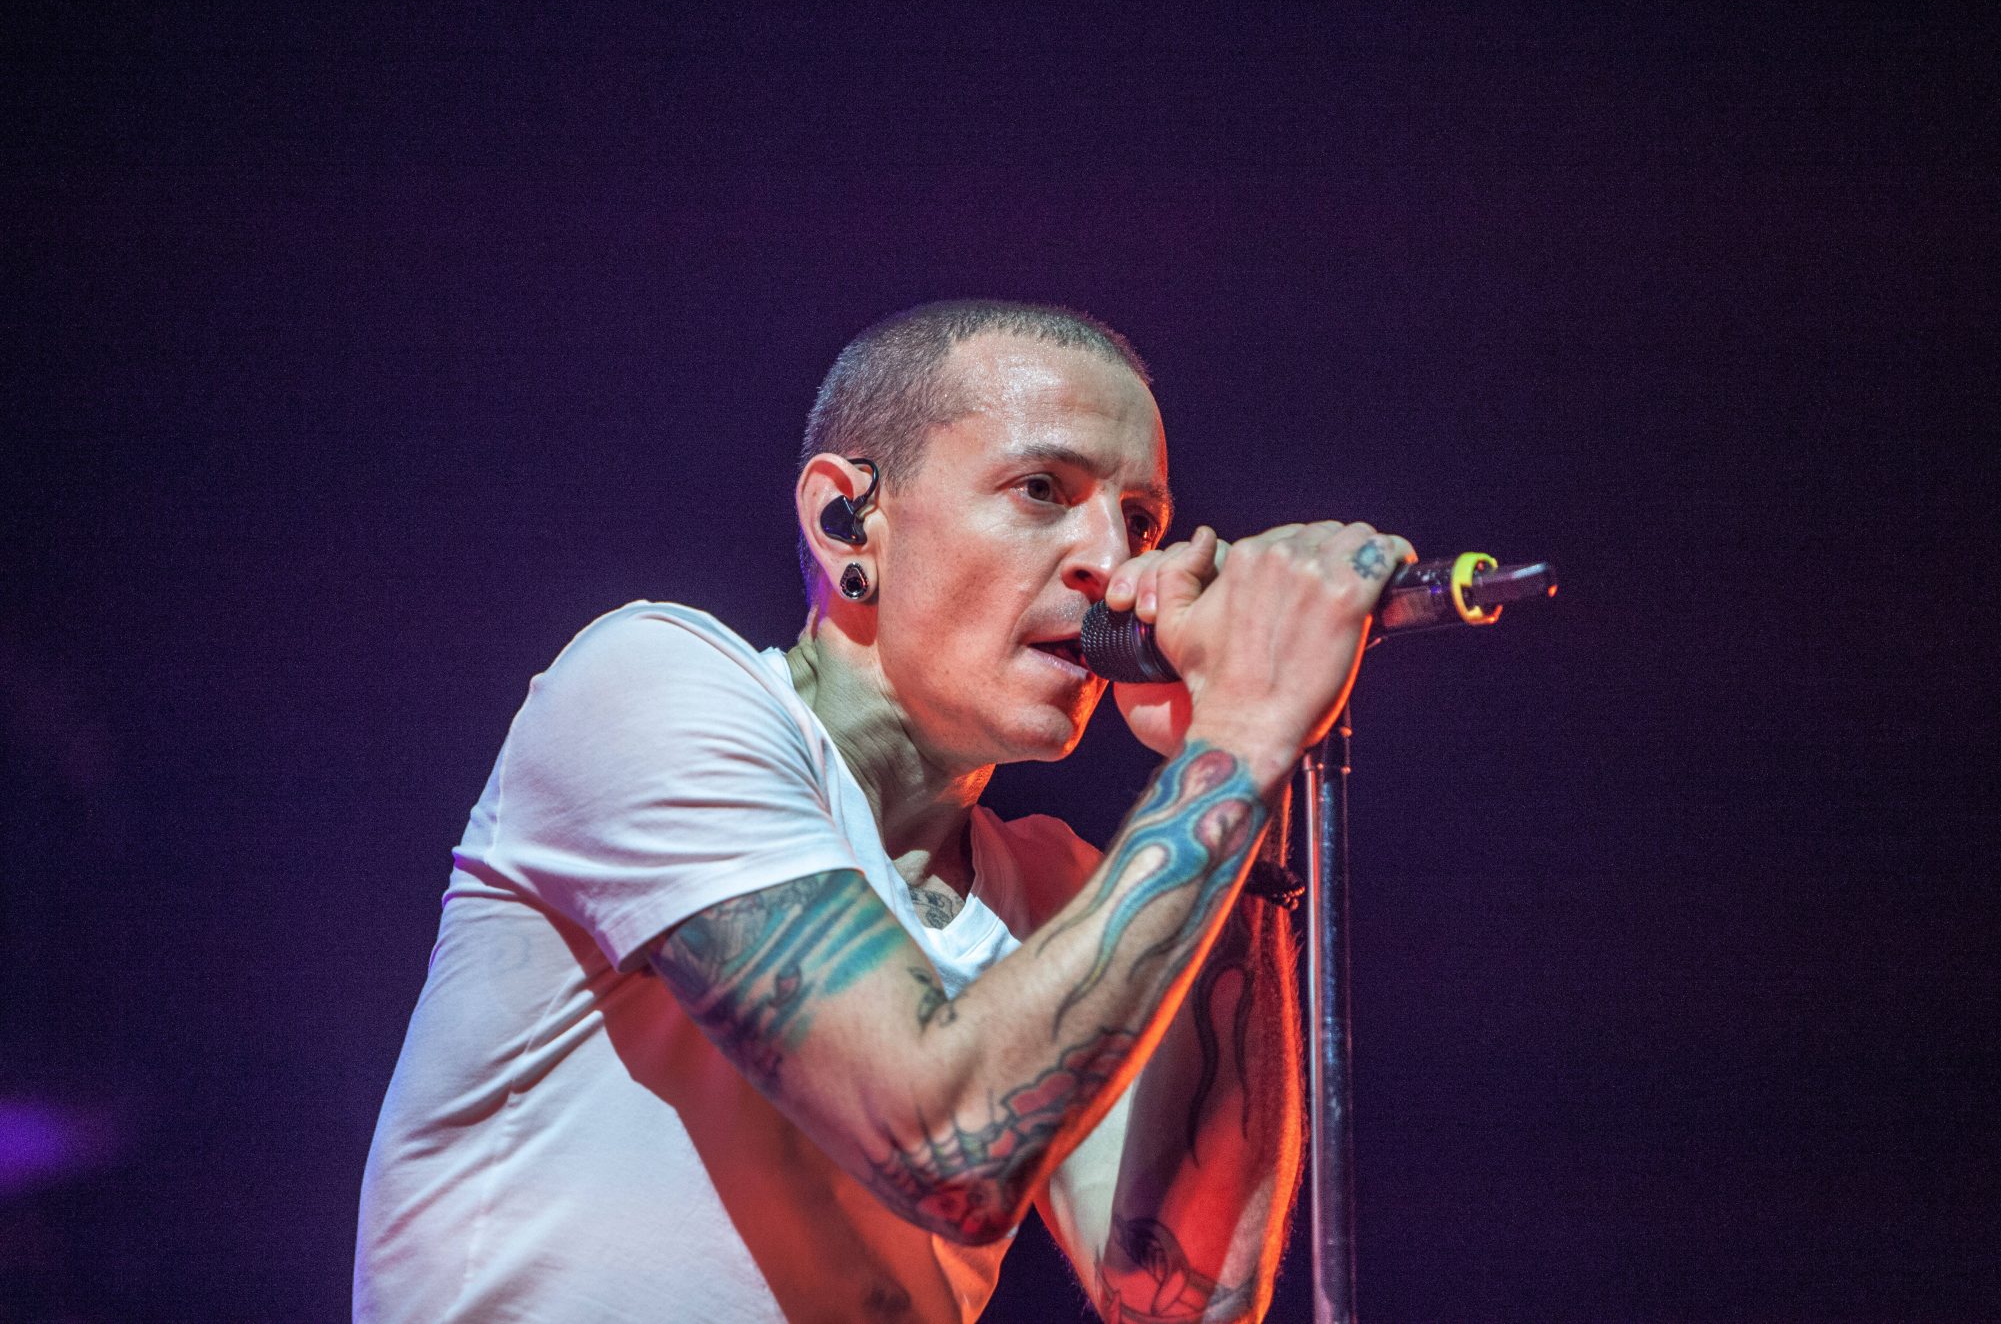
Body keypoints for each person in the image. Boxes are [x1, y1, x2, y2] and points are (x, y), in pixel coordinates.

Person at [353, 300, 1411, 1322]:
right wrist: (1244, 732)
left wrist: (1235, 780)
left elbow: (1184, 1295)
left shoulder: (1059, 891)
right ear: (845, 519)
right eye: (1043, 489)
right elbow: (943, 1146)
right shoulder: (650, 687)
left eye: (1140, 520)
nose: (1113, 560)